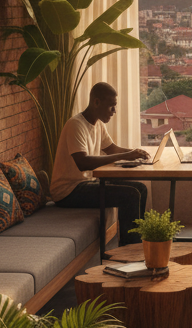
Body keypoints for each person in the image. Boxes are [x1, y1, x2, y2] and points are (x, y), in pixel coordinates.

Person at [50, 82, 149, 246]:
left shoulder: (98, 124)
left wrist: (136, 153)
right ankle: (128, 250)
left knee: (140, 188)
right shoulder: (76, 125)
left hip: (87, 183)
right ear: (96, 102)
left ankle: (138, 242)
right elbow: (83, 163)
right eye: (111, 106)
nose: (114, 111)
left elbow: (111, 149)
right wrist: (127, 155)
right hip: (68, 191)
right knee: (129, 195)